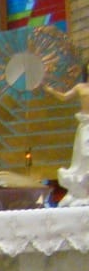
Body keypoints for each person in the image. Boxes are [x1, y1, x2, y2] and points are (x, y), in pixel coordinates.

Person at [46, 64, 89, 203]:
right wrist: (52, 91)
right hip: (85, 123)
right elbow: (64, 97)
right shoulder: (80, 87)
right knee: (85, 152)